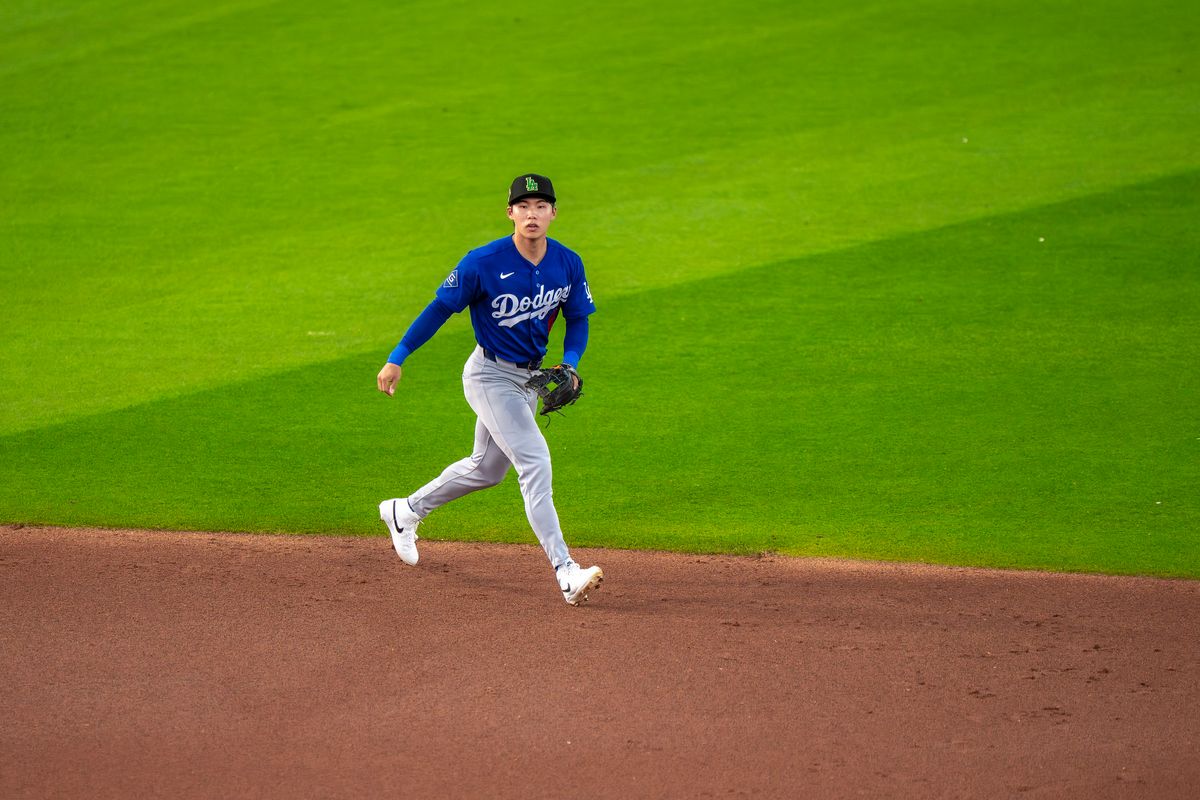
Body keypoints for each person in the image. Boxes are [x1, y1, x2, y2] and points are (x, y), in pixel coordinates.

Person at [375, 173, 603, 606]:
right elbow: (440, 308)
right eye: (523, 206)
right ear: (510, 213)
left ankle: (404, 511)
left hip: (532, 380)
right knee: (535, 462)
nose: (531, 214)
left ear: (553, 213)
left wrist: (570, 365)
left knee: (487, 469)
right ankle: (566, 571)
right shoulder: (482, 261)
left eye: (540, 206)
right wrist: (397, 356)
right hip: (490, 376)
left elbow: (579, 319)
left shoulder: (568, 262)